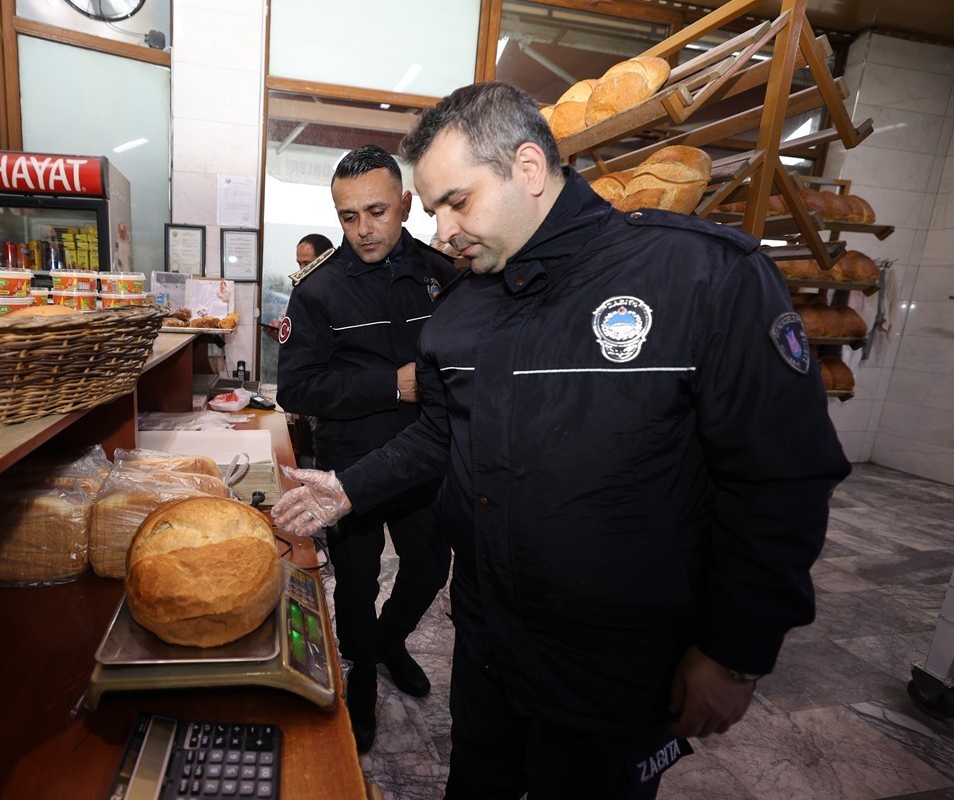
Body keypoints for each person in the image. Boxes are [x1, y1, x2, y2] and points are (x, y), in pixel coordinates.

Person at [272, 83, 850, 798]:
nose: (443, 230)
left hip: (615, 655)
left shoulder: (698, 276)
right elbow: (443, 432)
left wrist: (734, 653)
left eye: (456, 201)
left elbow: (778, 479)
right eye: (432, 211)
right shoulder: (463, 305)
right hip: (487, 638)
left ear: (528, 167)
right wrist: (349, 486)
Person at [275, 144, 456, 754]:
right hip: (349, 464)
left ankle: (387, 643)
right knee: (355, 585)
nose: (362, 229)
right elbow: (295, 388)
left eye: (376, 212)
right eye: (347, 216)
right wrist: (391, 384)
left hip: (422, 458)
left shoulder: (442, 272)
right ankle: (360, 675)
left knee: (430, 568)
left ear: (406, 204)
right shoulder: (318, 290)